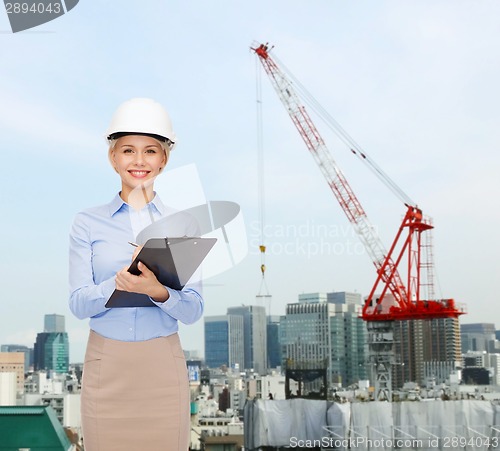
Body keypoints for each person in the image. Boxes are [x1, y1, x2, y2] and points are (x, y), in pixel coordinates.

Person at [69, 98, 203, 450]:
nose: (139, 161)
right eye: (128, 150)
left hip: (163, 365)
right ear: (113, 157)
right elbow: (79, 304)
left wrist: (157, 290)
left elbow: (193, 310)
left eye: (151, 151)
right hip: (106, 365)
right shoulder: (87, 222)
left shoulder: (184, 224)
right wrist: (118, 284)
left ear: (164, 159)